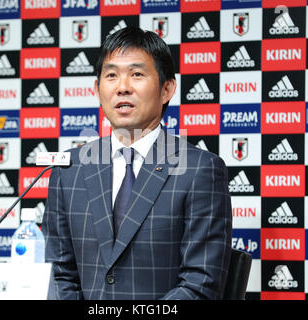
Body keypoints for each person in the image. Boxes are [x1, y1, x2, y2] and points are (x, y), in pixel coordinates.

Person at [42, 27, 232, 300]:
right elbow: (58, 274)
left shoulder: (199, 170)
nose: (122, 87)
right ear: (97, 89)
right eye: (111, 75)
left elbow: (200, 284)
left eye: (137, 74)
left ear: (167, 89)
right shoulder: (69, 169)